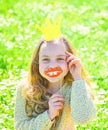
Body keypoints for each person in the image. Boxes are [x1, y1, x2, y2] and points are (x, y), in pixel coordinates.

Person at [14, 19, 96, 130]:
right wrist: (49, 115)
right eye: (46, 59)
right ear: (37, 62)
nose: (52, 65)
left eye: (60, 58)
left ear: (70, 60)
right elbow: (20, 127)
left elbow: (83, 118)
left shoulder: (76, 86)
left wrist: (78, 78)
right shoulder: (25, 89)